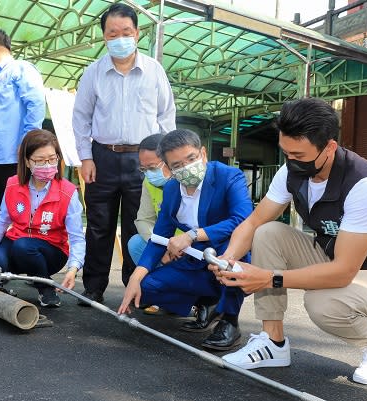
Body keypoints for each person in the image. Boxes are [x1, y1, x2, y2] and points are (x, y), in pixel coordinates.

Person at [214, 98, 367, 385]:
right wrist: (229, 259)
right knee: (268, 232)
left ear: (329, 147)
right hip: (335, 260)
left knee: (323, 302)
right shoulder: (291, 170)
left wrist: (268, 278)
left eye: (299, 155)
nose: (291, 161)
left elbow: (343, 272)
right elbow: (252, 223)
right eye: (286, 153)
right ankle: (273, 343)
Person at [72, 3, 176, 305]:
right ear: (104, 36)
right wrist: (85, 157)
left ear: (137, 33)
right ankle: (93, 287)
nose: (120, 38)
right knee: (99, 224)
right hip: (102, 156)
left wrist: (166, 160)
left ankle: (138, 287)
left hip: (144, 161)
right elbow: (81, 118)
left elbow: (166, 116)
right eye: (112, 33)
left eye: (126, 32)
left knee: (139, 225)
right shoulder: (93, 73)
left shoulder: (154, 71)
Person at [118, 129, 253, 351]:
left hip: (227, 252)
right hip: (194, 260)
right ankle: (208, 302)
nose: (187, 167)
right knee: (144, 288)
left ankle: (230, 320)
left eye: (191, 158)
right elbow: (160, 236)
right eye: (177, 165)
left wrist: (192, 235)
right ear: (168, 168)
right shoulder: (172, 188)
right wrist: (136, 274)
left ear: (203, 153)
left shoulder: (228, 176)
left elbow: (243, 219)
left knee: (230, 253)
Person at [0, 130, 85, 308]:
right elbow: (2, 220)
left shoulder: (68, 191)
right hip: (18, 242)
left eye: (52, 159)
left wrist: (73, 269)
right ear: (27, 161)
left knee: (23, 246)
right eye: (39, 160)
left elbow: (77, 237)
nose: (47, 165)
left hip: (52, 250)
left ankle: (45, 286)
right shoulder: (13, 184)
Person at [0, 28, 46, 234]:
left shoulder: (20, 70)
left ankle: (20, 261)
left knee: (19, 213)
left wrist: (27, 145)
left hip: (14, 158)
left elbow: (36, 104)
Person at [128, 134, 173, 315]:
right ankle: (163, 297)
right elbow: (144, 219)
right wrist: (162, 246)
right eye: (144, 168)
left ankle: (196, 301)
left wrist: (178, 244)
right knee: (136, 243)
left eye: (152, 167)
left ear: (168, 160)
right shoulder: (149, 182)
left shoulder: (184, 181)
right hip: (166, 244)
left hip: (190, 245)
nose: (148, 173)